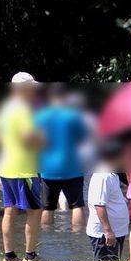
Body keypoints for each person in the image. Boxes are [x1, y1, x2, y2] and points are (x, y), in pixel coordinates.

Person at [0, 72, 45, 261]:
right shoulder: (24, 110)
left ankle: (9, 256)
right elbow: (29, 137)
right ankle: (30, 256)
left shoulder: (5, 109)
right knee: (35, 210)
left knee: (10, 210)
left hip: (6, 167)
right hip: (25, 168)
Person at [35, 85, 89, 229]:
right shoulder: (73, 116)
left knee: (48, 207)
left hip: (48, 168)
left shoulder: (40, 116)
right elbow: (83, 138)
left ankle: (48, 237)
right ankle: (76, 237)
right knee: (77, 205)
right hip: (72, 167)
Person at [86, 147, 129, 261]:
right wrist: (108, 231)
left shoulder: (112, 174)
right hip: (104, 235)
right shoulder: (103, 176)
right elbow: (99, 205)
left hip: (116, 231)